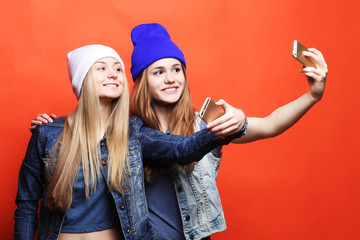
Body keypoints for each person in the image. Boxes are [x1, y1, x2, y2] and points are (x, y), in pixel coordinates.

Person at [31, 23, 327, 240]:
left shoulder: (205, 123)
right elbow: (84, 147)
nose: (171, 78)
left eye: (177, 69)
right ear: (142, 80)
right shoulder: (128, 132)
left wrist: (312, 96)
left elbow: (272, 124)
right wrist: (54, 129)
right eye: (158, 72)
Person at [15, 44, 247, 240]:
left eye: (118, 68)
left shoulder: (133, 134)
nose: (114, 73)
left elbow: (181, 150)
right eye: (102, 68)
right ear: (82, 78)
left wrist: (229, 124)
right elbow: (26, 206)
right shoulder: (47, 134)